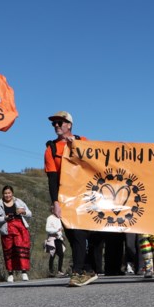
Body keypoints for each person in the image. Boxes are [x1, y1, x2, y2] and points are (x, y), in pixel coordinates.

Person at [45, 110, 97, 287]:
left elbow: (94, 164)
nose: (57, 126)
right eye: (54, 123)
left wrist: (76, 148)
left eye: (60, 122)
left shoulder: (83, 142)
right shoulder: (51, 148)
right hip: (64, 197)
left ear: (69, 125)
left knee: (79, 233)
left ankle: (77, 272)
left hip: (84, 195)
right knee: (72, 236)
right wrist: (55, 202)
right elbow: (52, 179)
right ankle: (88, 269)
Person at [0, 185, 32, 282]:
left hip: (20, 229)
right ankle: (10, 274)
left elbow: (30, 213)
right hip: (7, 230)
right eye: (5, 193)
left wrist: (23, 212)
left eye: (9, 193)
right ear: (3, 194)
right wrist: (4, 218)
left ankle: (24, 272)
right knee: (9, 251)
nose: (7, 195)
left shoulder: (19, 202)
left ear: (12, 193)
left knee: (21, 249)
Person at [45, 213, 66, 277]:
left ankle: (59, 270)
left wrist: (61, 234)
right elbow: (47, 229)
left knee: (61, 254)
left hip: (58, 238)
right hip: (52, 238)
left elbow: (60, 228)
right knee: (52, 254)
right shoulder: (50, 218)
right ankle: (51, 271)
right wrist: (56, 230)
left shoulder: (59, 218)